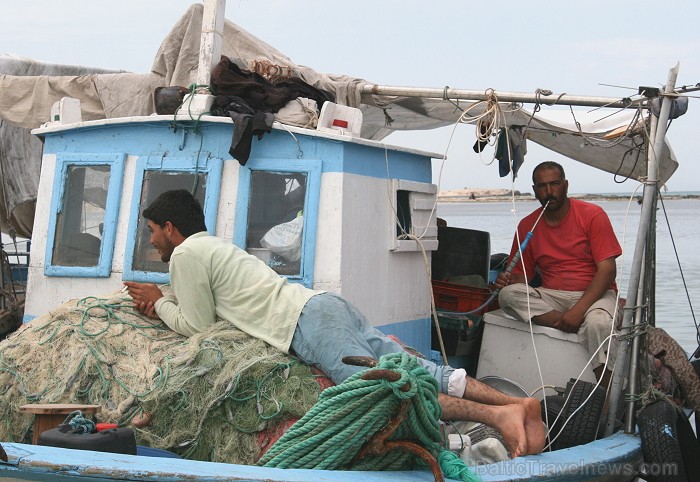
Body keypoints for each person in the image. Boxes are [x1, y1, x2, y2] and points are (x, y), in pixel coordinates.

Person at [124, 189, 545, 458]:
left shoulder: (186, 255)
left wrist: (160, 303)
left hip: (305, 324)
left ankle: (501, 416)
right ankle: (518, 405)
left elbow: (197, 326)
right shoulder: (214, 247)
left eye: (152, 231)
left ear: (170, 228)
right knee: (422, 371)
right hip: (323, 304)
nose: (151, 240)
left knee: (385, 393)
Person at [493, 161, 622, 385]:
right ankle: (571, 324)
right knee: (508, 296)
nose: (549, 192)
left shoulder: (592, 215)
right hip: (553, 296)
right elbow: (522, 277)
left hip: (596, 294)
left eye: (555, 184)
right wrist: (508, 280)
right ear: (535, 191)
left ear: (566, 185)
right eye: (542, 186)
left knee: (598, 324)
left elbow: (608, 270)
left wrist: (579, 310)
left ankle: (606, 394)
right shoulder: (527, 225)